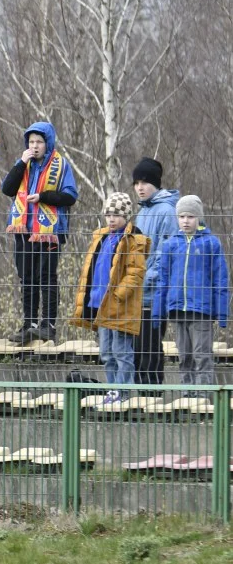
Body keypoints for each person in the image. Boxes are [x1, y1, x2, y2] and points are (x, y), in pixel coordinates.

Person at [2, 122, 78, 344]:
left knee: (46, 277)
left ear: (48, 143)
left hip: (51, 230)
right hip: (24, 230)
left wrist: (44, 196)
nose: (35, 146)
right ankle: (29, 323)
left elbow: (70, 196)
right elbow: (7, 189)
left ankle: (48, 324)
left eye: (39, 142)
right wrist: (21, 162)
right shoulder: (23, 165)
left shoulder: (61, 165)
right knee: (27, 277)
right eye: (31, 142)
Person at [71, 193, 148, 404]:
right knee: (106, 352)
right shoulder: (102, 237)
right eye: (108, 214)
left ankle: (124, 391)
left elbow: (136, 272)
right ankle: (113, 390)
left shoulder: (134, 238)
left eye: (116, 214)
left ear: (126, 216)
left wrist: (118, 294)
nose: (111, 219)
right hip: (100, 304)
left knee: (121, 351)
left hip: (119, 305)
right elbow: (92, 270)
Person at [154, 195, 229, 396]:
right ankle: (187, 394)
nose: (185, 221)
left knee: (202, 355)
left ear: (199, 218)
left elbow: (220, 280)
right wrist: (157, 312)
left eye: (190, 216)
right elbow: (163, 280)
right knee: (184, 355)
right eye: (181, 216)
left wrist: (222, 314)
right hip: (178, 310)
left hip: (201, 311)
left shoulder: (211, 244)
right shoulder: (171, 245)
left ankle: (203, 396)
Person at [131, 158, 179, 387]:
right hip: (138, 291)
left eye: (145, 182)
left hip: (154, 292)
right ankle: (140, 391)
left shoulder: (167, 212)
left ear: (156, 184)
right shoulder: (143, 211)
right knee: (137, 348)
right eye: (136, 183)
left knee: (149, 346)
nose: (140, 187)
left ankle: (150, 393)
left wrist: (144, 277)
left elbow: (165, 254)